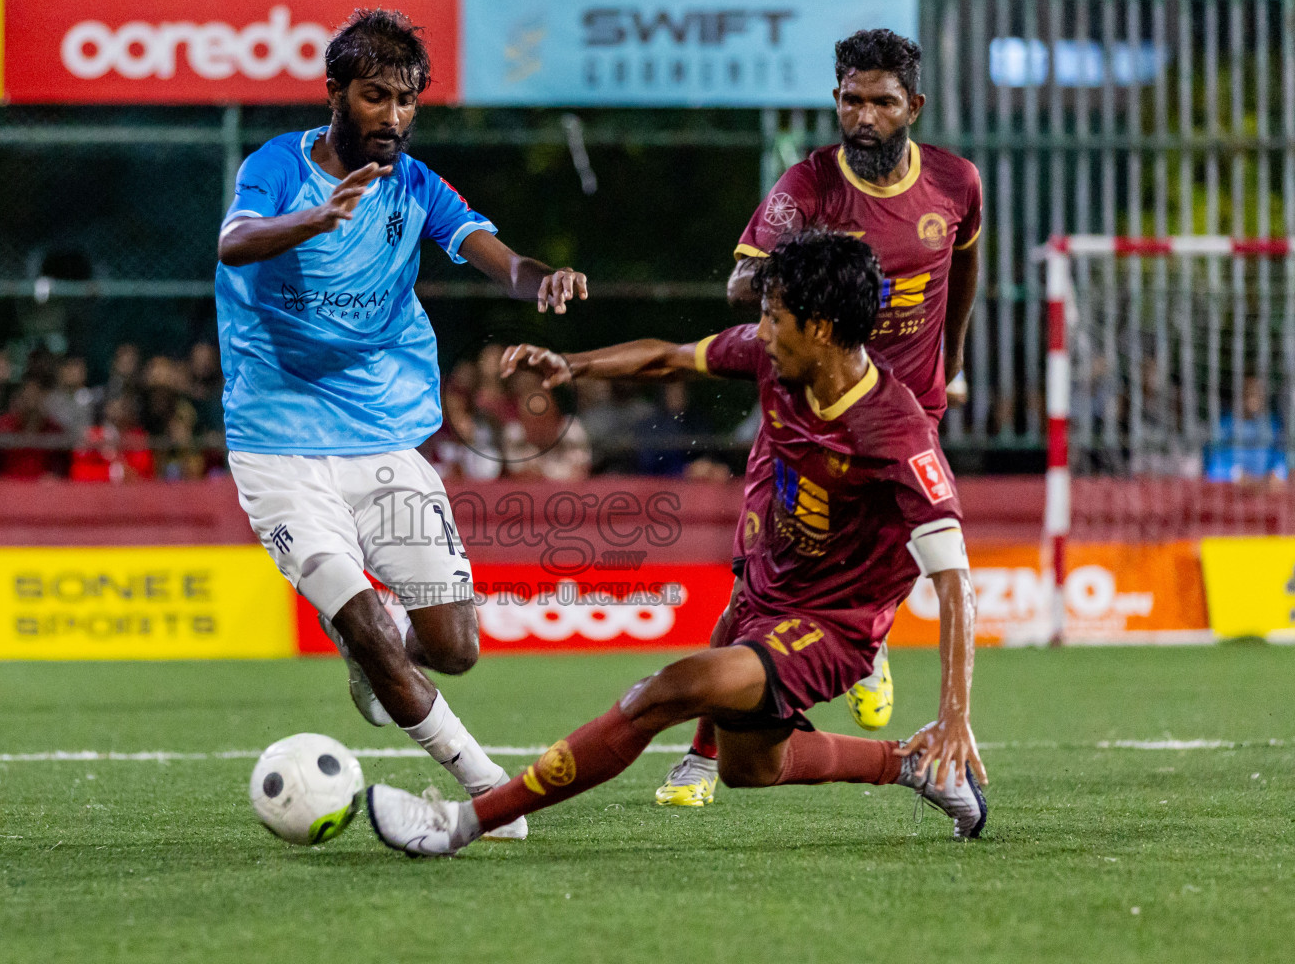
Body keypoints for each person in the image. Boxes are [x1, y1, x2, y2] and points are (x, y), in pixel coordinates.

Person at [367, 231, 987, 857]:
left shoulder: (896, 432)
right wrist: (573, 365)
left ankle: (462, 822)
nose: (761, 331)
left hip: (831, 627)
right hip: (767, 596)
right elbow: (668, 356)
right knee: (750, 766)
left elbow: (954, 581)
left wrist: (955, 715)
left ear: (823, 329)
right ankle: (914, 765)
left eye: (775, 318)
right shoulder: (774, 358)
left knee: (661, 692)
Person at [214, 8, 588, 837]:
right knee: (366, 620)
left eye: (407, 100)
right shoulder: (278, 167)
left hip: (385, 439)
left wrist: (541, 281)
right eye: (376, 97)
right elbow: (235, 242)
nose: (393, 116)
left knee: (453, 646)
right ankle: (487, 787)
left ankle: (373, 662)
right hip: (279, 446)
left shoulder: (416, 184)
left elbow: (493, 253)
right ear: (336, 95)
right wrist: (309, 221)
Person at [692, 29, 984, 760]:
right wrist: (811, 270)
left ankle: (867, 644)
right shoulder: (807, 187)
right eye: (850, 100)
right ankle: (701, 754)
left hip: (903, 411)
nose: (863, 117)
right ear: (835, 99)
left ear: (912, 105)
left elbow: (967, 265)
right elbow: (737, 286)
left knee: (903, 553)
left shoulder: (956, 184)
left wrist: (952, 357)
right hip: (804, 412)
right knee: (753, 577)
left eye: (882, 103)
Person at [0, 378, 67, 480]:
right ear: (19, 399)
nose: (31, 403)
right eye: (27, 398)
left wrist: (53, 477)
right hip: (8, 487)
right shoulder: (2, 427)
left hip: (43, 490)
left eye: (35, 397)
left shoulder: (54, 429)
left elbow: (60, 467)